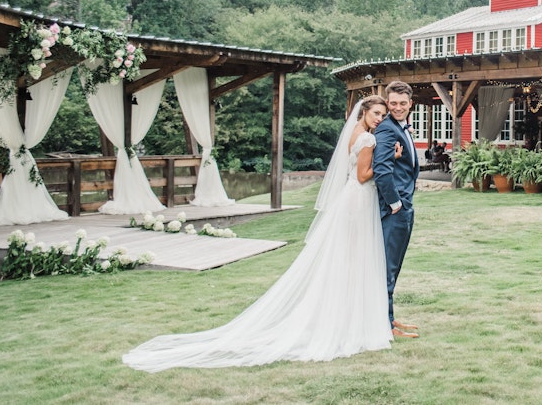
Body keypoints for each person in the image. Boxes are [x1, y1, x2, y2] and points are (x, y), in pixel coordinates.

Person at [123, 97, 399, 372]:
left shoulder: (354, 133)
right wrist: (391, 158)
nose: (379, 118)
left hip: (349, 199)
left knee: (348, 258)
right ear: (363, 111)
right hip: (359, 198)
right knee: (356, 256)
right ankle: (352, 320)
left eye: (382, 115)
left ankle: (346, 315)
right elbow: (363, 176)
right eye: (376, 113)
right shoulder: (368, 140)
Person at [372, 80, 420, 339]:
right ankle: (384, 324)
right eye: (393, 103)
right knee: (388, 268)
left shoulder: (401, 128)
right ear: (388, 104)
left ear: (410, 103)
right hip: (394, 210)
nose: (398, 107)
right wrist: (396, 204)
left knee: (393, 266)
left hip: (404, 207)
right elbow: (381, 172)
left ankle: (388, 317)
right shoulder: (387, 130)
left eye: (402, 103)